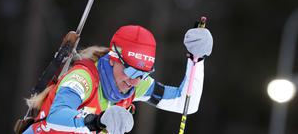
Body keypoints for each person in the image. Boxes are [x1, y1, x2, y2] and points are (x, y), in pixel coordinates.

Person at [23, 25, 213, 134]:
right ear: (114, 59)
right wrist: (97, 121)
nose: (135, 81)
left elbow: (185, 104)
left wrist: (197, 60)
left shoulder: (135, 84)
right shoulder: (83, 79)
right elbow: (57, 115)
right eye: (130, 71)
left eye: (143, 74)